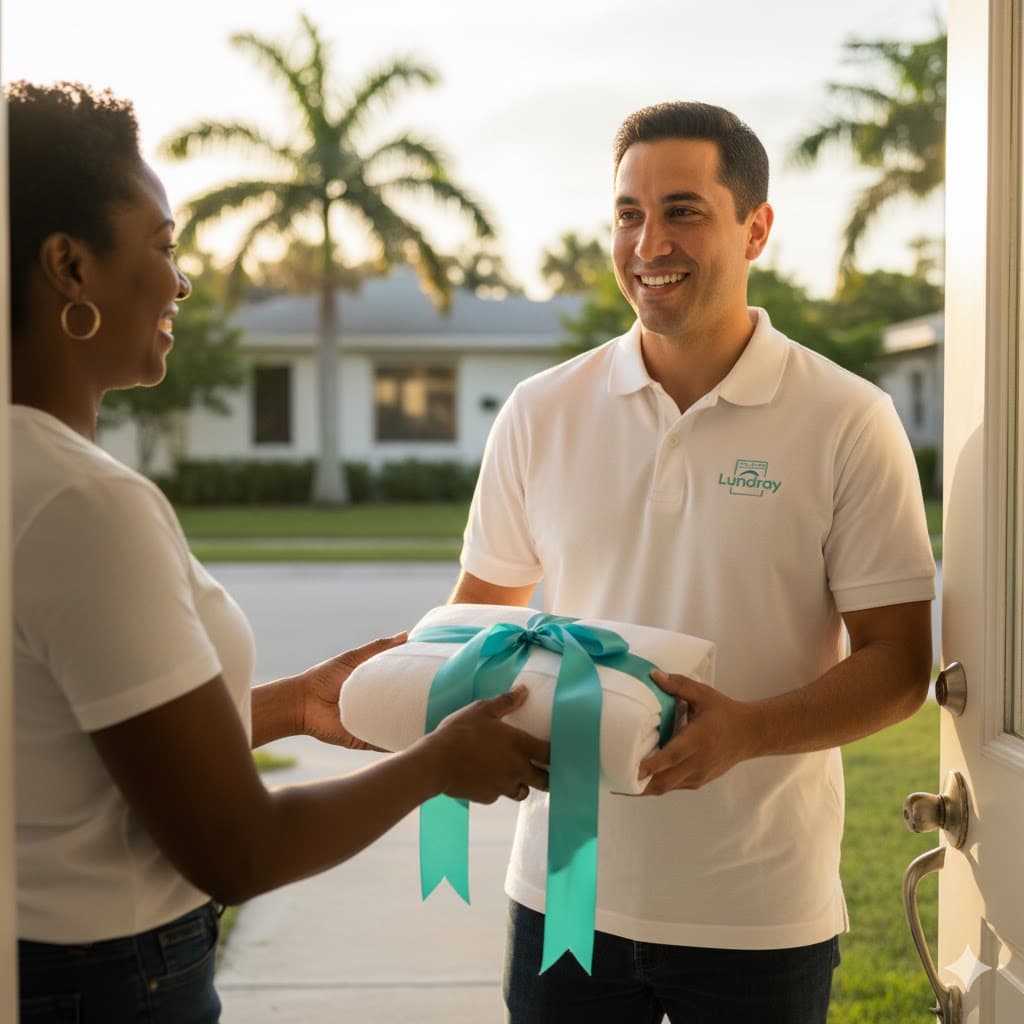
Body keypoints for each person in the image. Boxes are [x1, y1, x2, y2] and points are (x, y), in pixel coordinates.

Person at [8, 80, 550, 1024]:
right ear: (69, 266)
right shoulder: (84, 506)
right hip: (113, 983)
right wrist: (436, 764)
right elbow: (237, 851)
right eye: (164, 246)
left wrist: (296, 705)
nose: (180, 281)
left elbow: (79, 748)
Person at [451, 101, 935, 1024]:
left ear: (755, 229)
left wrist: (745, 730)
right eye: (629, 213)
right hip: (568, 892)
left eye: (683, 210)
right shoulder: (540, 411)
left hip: (758, 912)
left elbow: (899, 665)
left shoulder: (848, 418)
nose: (648, 242)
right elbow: (481, 619)